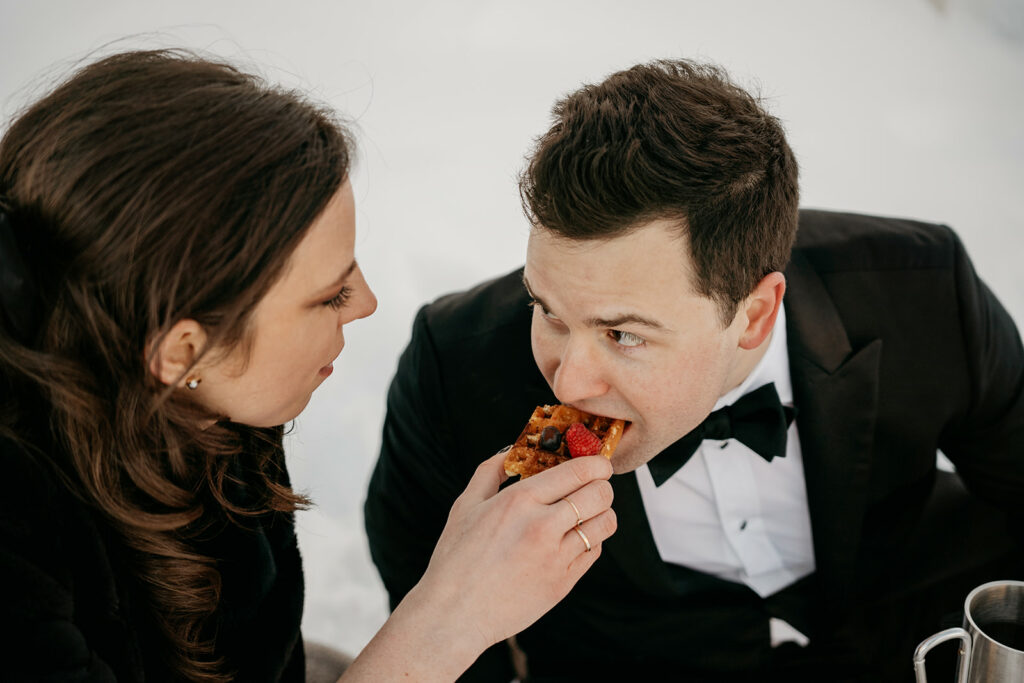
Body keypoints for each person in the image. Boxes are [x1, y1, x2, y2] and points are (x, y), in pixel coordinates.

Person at [365, 59, 1024, 682]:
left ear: (756, 314)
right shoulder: (456, 361)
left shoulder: (923, 291)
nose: (566, 384)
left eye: (622, 333)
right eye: (550, 312)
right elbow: (428, 611)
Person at [0, 49, 617, 682]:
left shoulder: (214, 398)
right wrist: (450, 618)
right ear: (184, 351)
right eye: (328, 296)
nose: (368, 304)